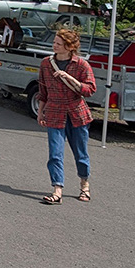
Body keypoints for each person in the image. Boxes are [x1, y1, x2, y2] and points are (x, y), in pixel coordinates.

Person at [37, 27, 97, 204]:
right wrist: (40, 112)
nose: (54, 45)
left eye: (58, 43)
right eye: (54, 42)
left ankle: (84, 184)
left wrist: (72, 79)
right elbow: (43, 91)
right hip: (54, 112)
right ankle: (57, 189)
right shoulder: (46, 64)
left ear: (69, 46)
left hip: (77, 114)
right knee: (55, 153)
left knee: (81, 153)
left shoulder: (81, 65)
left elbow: (90, 90)